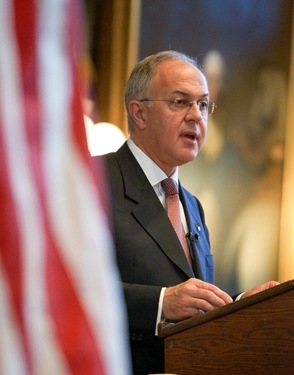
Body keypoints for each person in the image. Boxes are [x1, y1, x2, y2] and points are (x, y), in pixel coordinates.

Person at [100, 51, 279, 375]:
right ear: (139, 113)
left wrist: (241, 306)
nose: (196, 116)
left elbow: (188, 304)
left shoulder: (192, 205)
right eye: (180, 102)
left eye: (203, 104)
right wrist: (160, 303)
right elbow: (64, 289)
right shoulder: (93, 181)